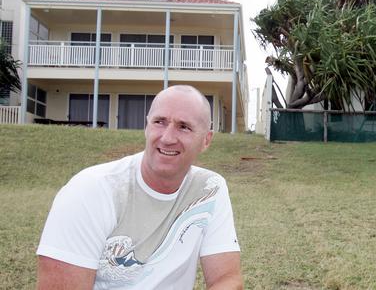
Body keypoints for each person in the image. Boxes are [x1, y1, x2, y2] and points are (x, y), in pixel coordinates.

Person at [36, 85, 243, 289]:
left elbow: (227, 279)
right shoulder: (90, 191)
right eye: (159, 122)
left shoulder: (209, 189)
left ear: (206, 140)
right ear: (147, 127)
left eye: (184, 127)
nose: (168, 137)